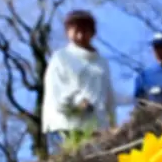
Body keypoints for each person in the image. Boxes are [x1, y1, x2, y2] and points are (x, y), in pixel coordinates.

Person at [42, 10, 116, 154]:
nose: (81, 36)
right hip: (67, 124)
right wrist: (77, 103)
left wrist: (112, 122)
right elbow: (56, 92)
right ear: (67, 32)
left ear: (92, 33)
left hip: (96, 125)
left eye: (85, 31)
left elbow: (108, 95)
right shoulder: (61, 58)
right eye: (76, 31)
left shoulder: (101, 62)